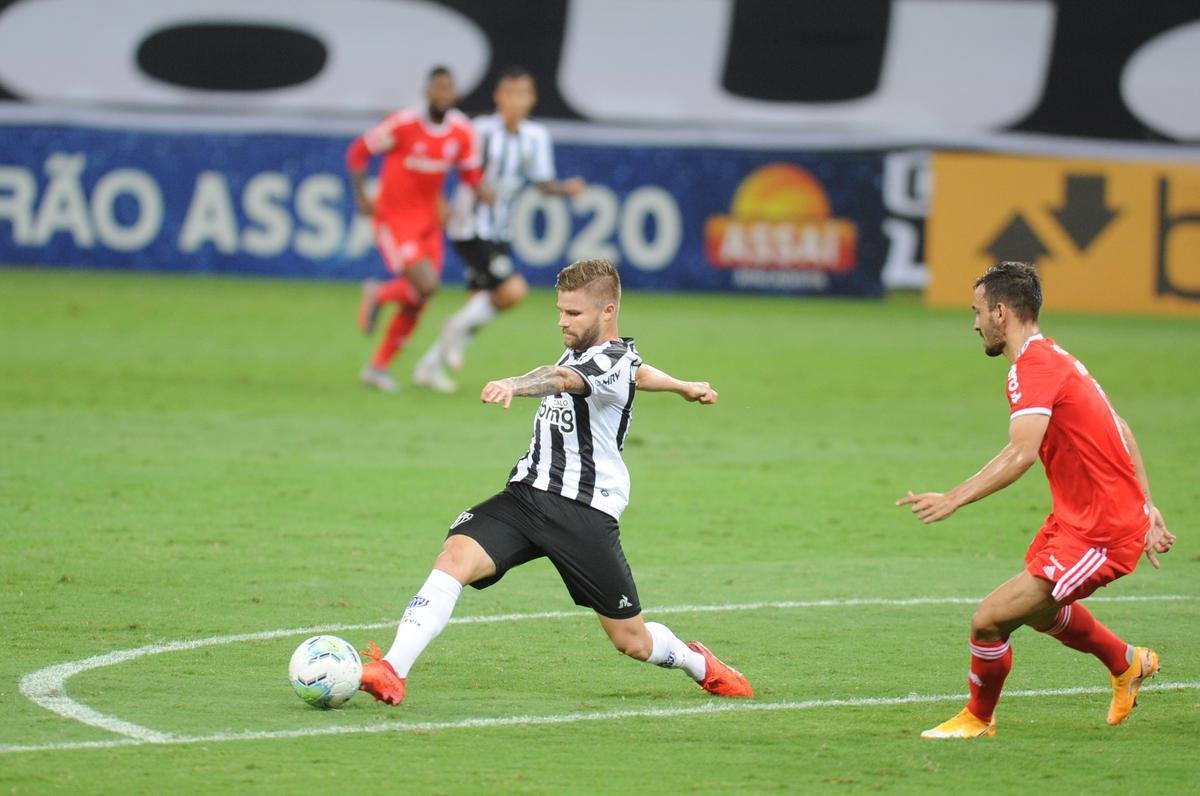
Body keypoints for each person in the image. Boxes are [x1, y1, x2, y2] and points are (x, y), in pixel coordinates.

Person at [357, 258, 753, 704]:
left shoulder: (607, 361)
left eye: (574, 313)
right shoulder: (594, 353)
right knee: (453, 558)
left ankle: (697, 662)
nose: (563, 321)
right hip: (526, 495)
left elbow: (563, 377)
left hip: (582, 512)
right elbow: (636, 372)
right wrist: (681, 386)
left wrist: (514, 383)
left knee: (632, 641)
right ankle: (392, 670)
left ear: (607, 311)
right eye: (560, 311)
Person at [897, 260, 1176, 739]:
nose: (975, 324)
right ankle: (1126, 662)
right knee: (1041, 609)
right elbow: (1122, 428)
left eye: (977, 312)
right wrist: (1147, 506)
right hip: (1077, 520)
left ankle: (978, 719)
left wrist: (954, 498)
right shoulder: (1057, 358)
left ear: (1000, 312)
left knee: (989, 620)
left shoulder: (1034, 367)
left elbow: (1021, 453)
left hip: (1101, 533)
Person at [412, 66, 586, 393]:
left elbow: (542, 182)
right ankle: (452, 329)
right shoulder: (478, 130)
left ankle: (429, 367)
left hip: (500, 229)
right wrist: (440, 202)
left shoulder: (536, 136)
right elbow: (442, 162)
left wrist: (566, 189)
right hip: (468, 224)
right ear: (498, 97)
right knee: (512, 291)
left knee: (480, 306)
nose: (516, 100)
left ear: (532, 99)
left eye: (523, 94)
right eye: (510, 93)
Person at [346, 65, 492, 392]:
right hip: (395, 218)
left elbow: (470, 173)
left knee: (418, 299)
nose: (442, 94)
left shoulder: (461, 131)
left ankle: (377, 368)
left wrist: (482, 191)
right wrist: (361, 196)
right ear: (427, 91)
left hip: (429, 221)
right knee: (426, 284)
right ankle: (378, 293)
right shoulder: (403, 124)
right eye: (437, 87)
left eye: (447, 88)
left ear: (455, 94)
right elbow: (358, 152)